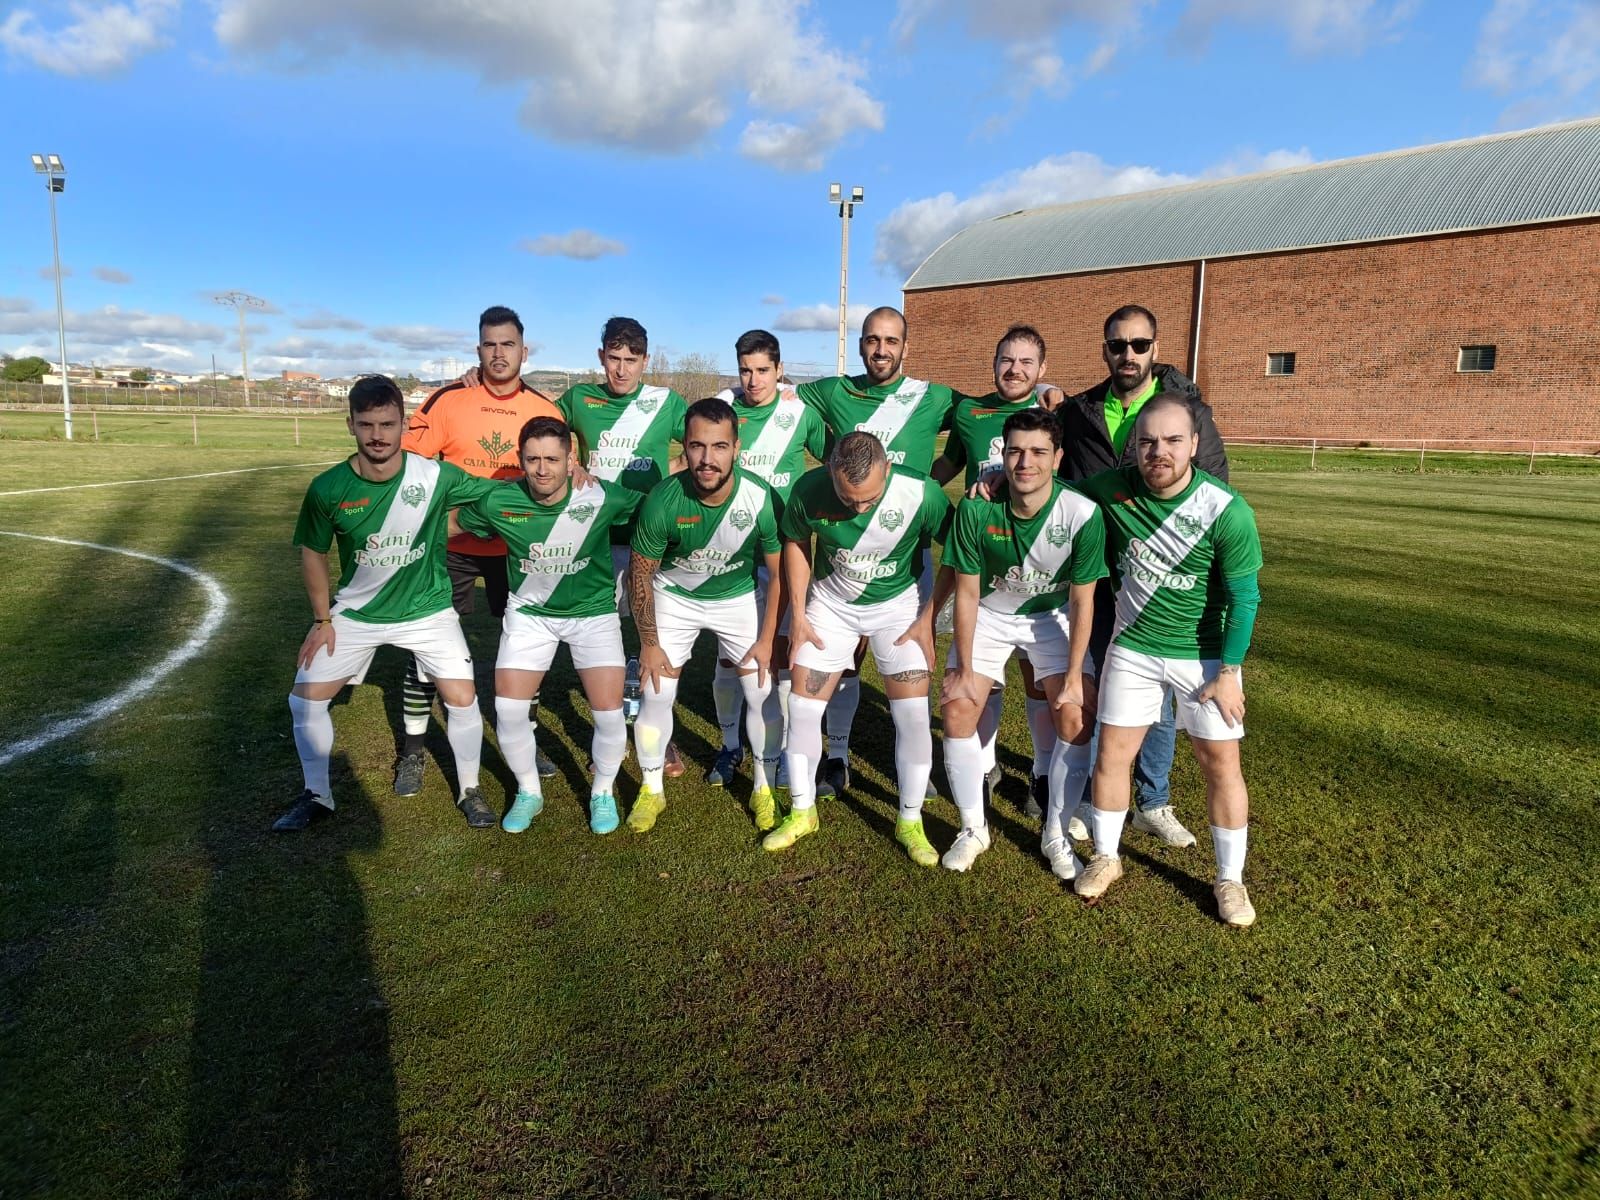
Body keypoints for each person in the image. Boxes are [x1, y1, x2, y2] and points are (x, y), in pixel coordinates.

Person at [274, 375, 497, 832]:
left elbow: (497, 493)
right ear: (351, 425)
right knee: (304, 701)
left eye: (387, 424)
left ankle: (470, 789)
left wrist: (563, 473)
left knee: (462, 695)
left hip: (429, 611)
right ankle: (318, 795)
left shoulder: (434, 475)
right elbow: (312, 553)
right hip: (357, 613)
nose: (378, 435)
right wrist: (322, 619)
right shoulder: (328, 488)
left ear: (404, 424)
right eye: (367, 424)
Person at [1072, 396, 1263, 926]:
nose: (1159, 452)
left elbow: (1246, 598)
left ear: (1194, 445)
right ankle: (1107, 857)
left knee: (1220, 764)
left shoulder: (1227, 510)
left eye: (1173, 441)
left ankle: (1230, 880)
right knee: (1112, 755)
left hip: (1204, 659)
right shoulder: (1112, 490)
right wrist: (996, 484)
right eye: (1148, 441)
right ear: (1135, 445)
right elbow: (1055, 498)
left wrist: (1228, 674)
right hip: (1132, 648)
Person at [1049, 304, 1230, 849]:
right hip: (1096, 575)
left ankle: (1153, 800)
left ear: (1154, 347)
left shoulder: (1186, 411)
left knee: (1159, 691)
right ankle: (1099, 795)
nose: (1128, 354)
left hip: (1160, 573)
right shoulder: (1079, 411)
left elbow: (1213, 484)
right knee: (1107, 679)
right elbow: (1051, 468)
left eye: (1139, 344)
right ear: (1104, 349)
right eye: (1117, 345)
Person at [763, 431, 953, 866]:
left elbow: (961, 551)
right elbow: (795, 541)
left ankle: (909, 821)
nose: (860, 508)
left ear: (888, 469)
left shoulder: (922, 493)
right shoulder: (809, 490)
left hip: (898, 608)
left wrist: (928, 616)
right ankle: (801, 811)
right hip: (831, 607)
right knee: (803, 708)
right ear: (830, 471)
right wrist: (800, 613)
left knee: (913, 716)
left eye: (869, 499)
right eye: (849, 501)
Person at [450, 415, 644, 836]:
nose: (542, 469)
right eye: (533, 458)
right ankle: (528, 791)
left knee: (609, 715)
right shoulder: (500, 501)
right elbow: (451, 525)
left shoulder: (600, 495)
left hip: (593, 616)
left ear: (570, 459)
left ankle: (603, 792)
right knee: (508, 709)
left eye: (553, 459)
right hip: (531, 616)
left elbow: (651, 508)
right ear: (520, 459)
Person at [395, 305, 560, 800]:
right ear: (478, 349)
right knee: (427, 645)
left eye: (507, 344)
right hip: (454, 545)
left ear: (523, 350)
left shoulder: (546, 410)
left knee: (529, 645)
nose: (498, 353)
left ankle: (526, 740)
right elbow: (408, 466)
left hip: (517, 548)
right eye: (489, 344)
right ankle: (412, 750)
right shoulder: (448, 401)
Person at [793, 307, 958, 798]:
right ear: (860, 344)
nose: (881, 349)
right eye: (872, 340)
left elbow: (983, 416)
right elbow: (772, 396)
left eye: (891, 341)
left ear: (906, 347)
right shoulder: (832, 391)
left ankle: (915, 776)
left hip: (905, 562)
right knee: (844, 662)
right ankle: (838, 755)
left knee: (908, 669)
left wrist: (932, 483)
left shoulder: (933, 397)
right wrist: (725, 394)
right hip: (840, 566)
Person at [938, 407, 1106, 875]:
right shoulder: (976, 508)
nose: (1024, 462)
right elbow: (967, 594)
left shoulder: (1082, 513)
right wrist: (966, 669)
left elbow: (1082, 602)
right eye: (1014, 451)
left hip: (1050, 618)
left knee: (1075, 714)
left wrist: (1074, 677)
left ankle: (1056, 830)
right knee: (957, 705)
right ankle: (973, 828)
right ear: (1002, 456)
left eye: (1037, 452)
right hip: (991, 613)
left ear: (1057, 458)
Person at [627, 397, 785, 832]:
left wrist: (768, 638)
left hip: (737, 599)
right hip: (675, 597)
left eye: (718, 447)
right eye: (697, 446)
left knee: (761, 692)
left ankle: (763, 787)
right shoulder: (663, 499)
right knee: (656, 692)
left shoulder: (760, 498)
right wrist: (649, 643)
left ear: (737, 447)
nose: (707, 459)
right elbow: (639, 577)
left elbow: (779, 575)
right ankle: (651, 790)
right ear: (686, 446)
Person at [929, 323, 1061, 818]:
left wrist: (1055, 395)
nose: (1015, 369)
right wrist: (906, 486)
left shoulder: (1051, 413)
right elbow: (949, 463)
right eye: (1007, 359)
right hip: (979, 566)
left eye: (1027, 362)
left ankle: (1043, 775)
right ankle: (986, 768)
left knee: (1036, 677)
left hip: (1037, 567)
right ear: (993, 362)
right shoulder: (969, 410)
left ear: (1043, 369)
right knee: (983, 677)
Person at [556, 316, 689, 777]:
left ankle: (660, 737)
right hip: (596, 542)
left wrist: (673, 471)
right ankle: (610, 738)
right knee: (605, 645)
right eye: (613, 359)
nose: (621, 369)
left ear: (645, 361)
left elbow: (703, 437)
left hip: (653, 544)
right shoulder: (578, 399)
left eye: (631, 360)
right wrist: (571, 460)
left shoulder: (664, 402)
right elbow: (538, 426)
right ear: (600, 357)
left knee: (657, 642)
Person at [706, 329, 827, 790]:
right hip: (730, 553)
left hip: (785, 552)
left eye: (762, 370)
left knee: (777, 656)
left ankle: (775, 751)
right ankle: (729, 744)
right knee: (727, 660)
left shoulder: (800, 412)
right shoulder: (725, 410)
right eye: (745, 370)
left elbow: (835, 462)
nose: (753, 380)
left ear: (780, 370)